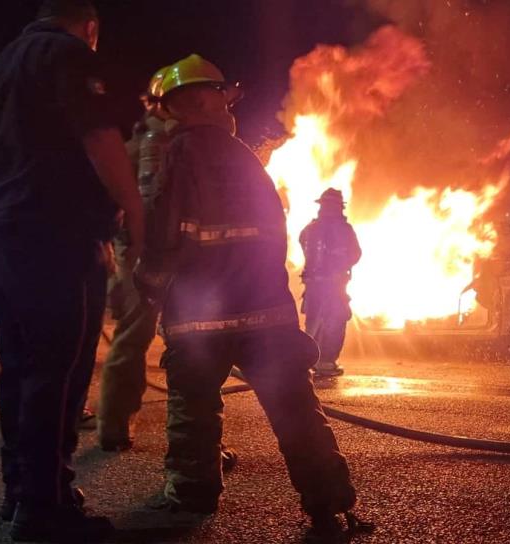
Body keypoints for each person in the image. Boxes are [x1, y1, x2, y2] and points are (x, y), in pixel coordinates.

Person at [135, 54, 367, 538]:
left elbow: (159, 233)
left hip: (198, 321)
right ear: (214, 102)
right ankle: (329, 506)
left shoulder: (175, 156)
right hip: (267, 316)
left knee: (193, 410)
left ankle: (191, 498)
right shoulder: (247, 161)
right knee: (296, 412)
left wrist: (148, 288)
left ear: (181, 106)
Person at [0, 1, 143, 541]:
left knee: (20, 367)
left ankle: (22, 493)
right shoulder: (67, 55)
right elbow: (98, 137)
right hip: (55, 235)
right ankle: (46, 509)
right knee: (58, 371)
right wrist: (135, 216)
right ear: (90, 27)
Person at [93, 68, 169, 451]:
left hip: (137, 253)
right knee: (138, 338)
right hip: (151, 253)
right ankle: (116, 426)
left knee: (133, 339)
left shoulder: (136, 143)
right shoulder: (160, 142)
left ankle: (115, 425)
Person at [299, 189, 362, 377]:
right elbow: (356, 253)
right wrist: (340, 266)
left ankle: (312, 361)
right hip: (334, 285)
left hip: (315, 285)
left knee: (314, 321)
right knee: (335, 319)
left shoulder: (310, 229)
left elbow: (303, 244)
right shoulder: (345, 229)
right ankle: (325, 361)